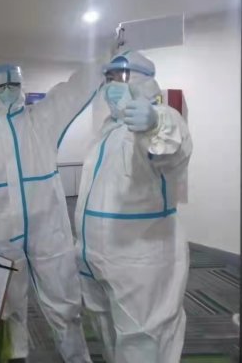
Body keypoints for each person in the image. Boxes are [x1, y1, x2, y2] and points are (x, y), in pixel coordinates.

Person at [75, 51, 192, 363]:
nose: (113, 84)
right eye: (109, 78)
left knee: (143, 342)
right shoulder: (108, 130)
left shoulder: (162, 118)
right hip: (97, 259)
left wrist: (154, 122)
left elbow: (171, 147)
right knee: (109, 336)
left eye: (122, 76)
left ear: (144, 81)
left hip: (139, 262)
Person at [0, 63, 99, 363]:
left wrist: (104, 59)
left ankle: (77, 357)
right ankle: (16, 355)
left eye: (13, 85)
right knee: (7, 304)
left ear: (22, 86)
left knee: (64, 300)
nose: (7, 92)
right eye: (0, 87)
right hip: (2, 232)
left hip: (47, 227)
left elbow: (71, 92)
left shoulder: (41, 119)